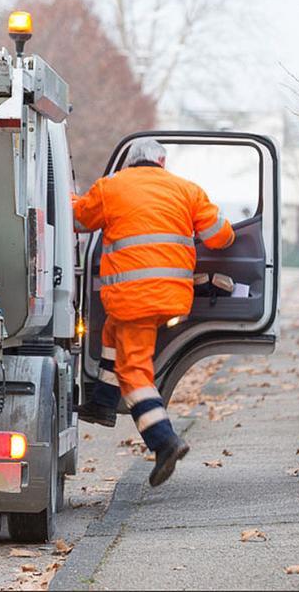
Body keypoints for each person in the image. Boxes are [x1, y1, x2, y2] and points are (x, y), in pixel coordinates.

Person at [72, 140, 235, 487]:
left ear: (129, 162)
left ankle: (164, 441)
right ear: (161, 161)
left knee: (134, 370)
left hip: (133, 298)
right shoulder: (187, 189)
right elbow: (221, 237)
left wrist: (64, 197)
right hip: (173, 298)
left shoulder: (110, 187)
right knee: (112, 333)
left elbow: (78, 219)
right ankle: (103, 402)